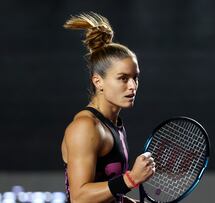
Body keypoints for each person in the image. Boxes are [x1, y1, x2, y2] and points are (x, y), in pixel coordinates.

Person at [61, 12, 155, 203]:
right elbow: (79, 197)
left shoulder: (114, 124)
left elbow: (108, 191)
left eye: (135, 78)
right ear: (98, 81)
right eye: (123, 78)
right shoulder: (86, 127)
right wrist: (131, 179)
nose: (132, 86)